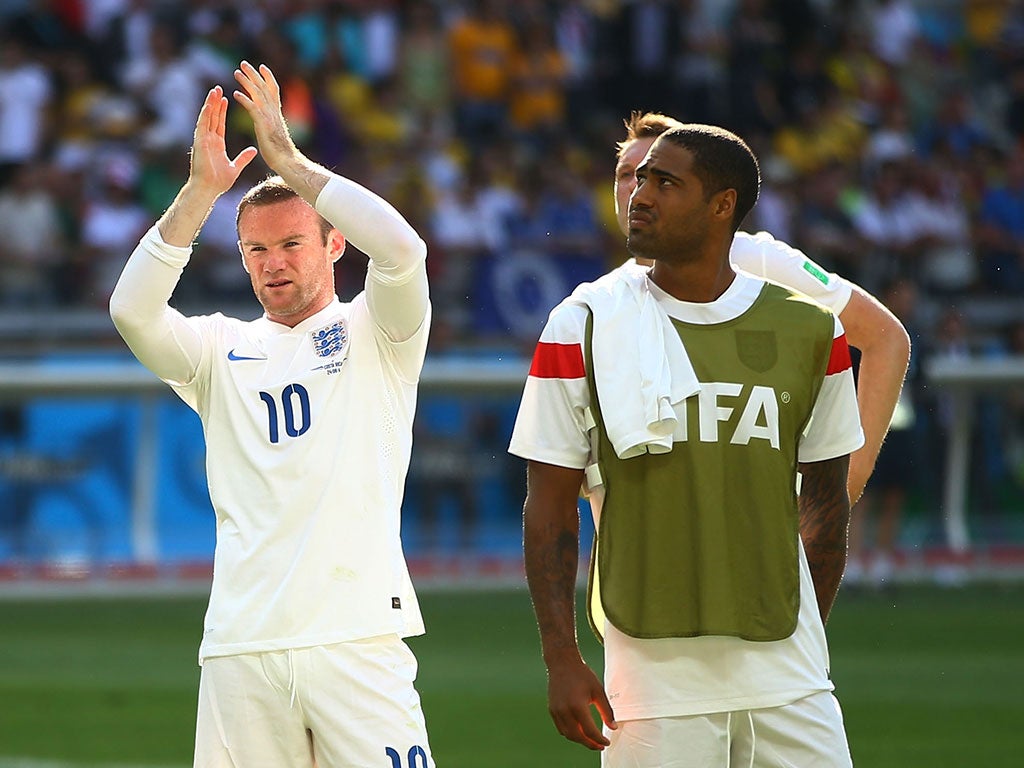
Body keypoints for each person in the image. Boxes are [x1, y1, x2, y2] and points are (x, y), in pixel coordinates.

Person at [109, 62, 434, 768]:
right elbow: (131, 311)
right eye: (256, 249)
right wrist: (199, 193)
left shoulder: (379, 332)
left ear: (334, 244)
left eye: (292, 243)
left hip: (356, 641)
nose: (273, 263)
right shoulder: (220, 349)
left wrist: (289, 160)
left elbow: (405, 250)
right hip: (241, 646)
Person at [510, 124, 864, 765]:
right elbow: (550, 503)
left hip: (791, 677)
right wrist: (560, 655)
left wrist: (799, 627)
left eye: (665, 182)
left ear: (723, 205)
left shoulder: (811, 330)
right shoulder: (581, 323)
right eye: (638, 179)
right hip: (650, 679)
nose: (639, 195)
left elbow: (825, 503)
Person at [613, 111, 909, 506]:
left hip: (764, 542)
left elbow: (885, 339)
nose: (637, 187)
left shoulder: (755, 259)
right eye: (626, 174)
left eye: (657, 175)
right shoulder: (605, 300)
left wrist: (843, 489)